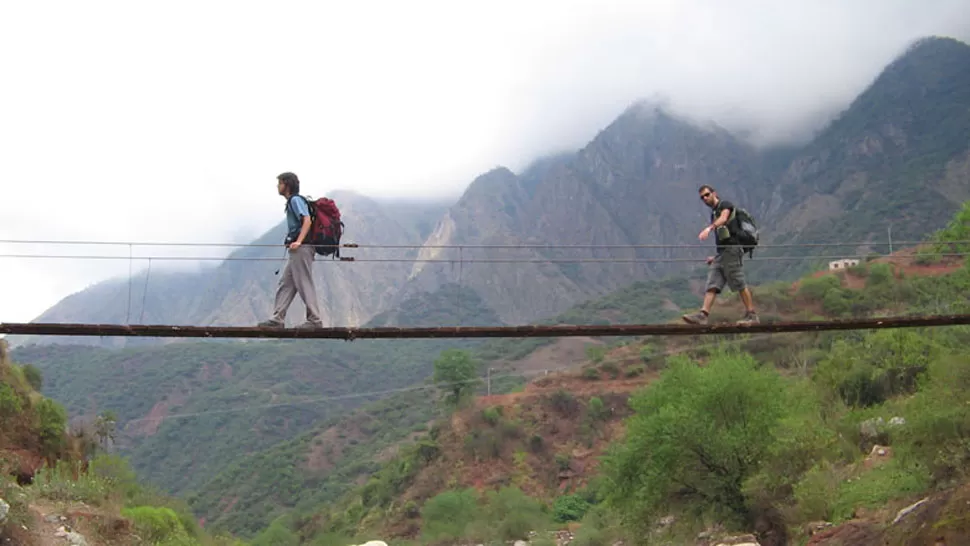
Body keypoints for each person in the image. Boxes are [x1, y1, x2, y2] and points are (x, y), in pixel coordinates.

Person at [682, 185, 759, 325]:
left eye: (707, 194)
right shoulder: (713, 213)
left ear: (714, 193)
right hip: (722, 253)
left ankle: (752, 315)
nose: (705, 198)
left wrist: (709, 228)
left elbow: (724, 219)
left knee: (738, 281)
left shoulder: (725, 205)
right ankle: (703, 315)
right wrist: (716, 256)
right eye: (702, 197)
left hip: (732, 250)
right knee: (713, 282)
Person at [258, 172, 323, 329]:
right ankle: (277, 318)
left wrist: (299, 241)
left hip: (302, 248)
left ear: (287, 184)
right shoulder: (293, 201)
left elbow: (306, 219)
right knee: (286, 283)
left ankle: (314, 320)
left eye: (280, 183)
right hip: (298, 249)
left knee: (303, 282)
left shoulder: (295, 200)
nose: (277, 186)